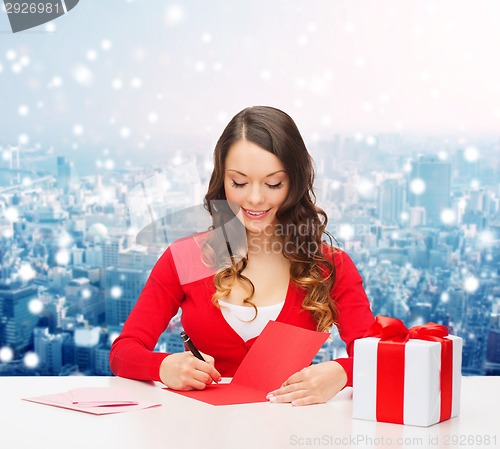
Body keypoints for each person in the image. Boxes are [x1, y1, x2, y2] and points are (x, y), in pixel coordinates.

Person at [109, 106, 374, 406]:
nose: (255, 198)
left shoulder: (329, 265)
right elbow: (122, 353)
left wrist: (341, 372)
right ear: (222, 181)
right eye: (239, 182)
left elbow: (377, 356)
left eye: (274, 184)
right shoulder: (184, 258)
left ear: (295, 183)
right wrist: (162, 366)